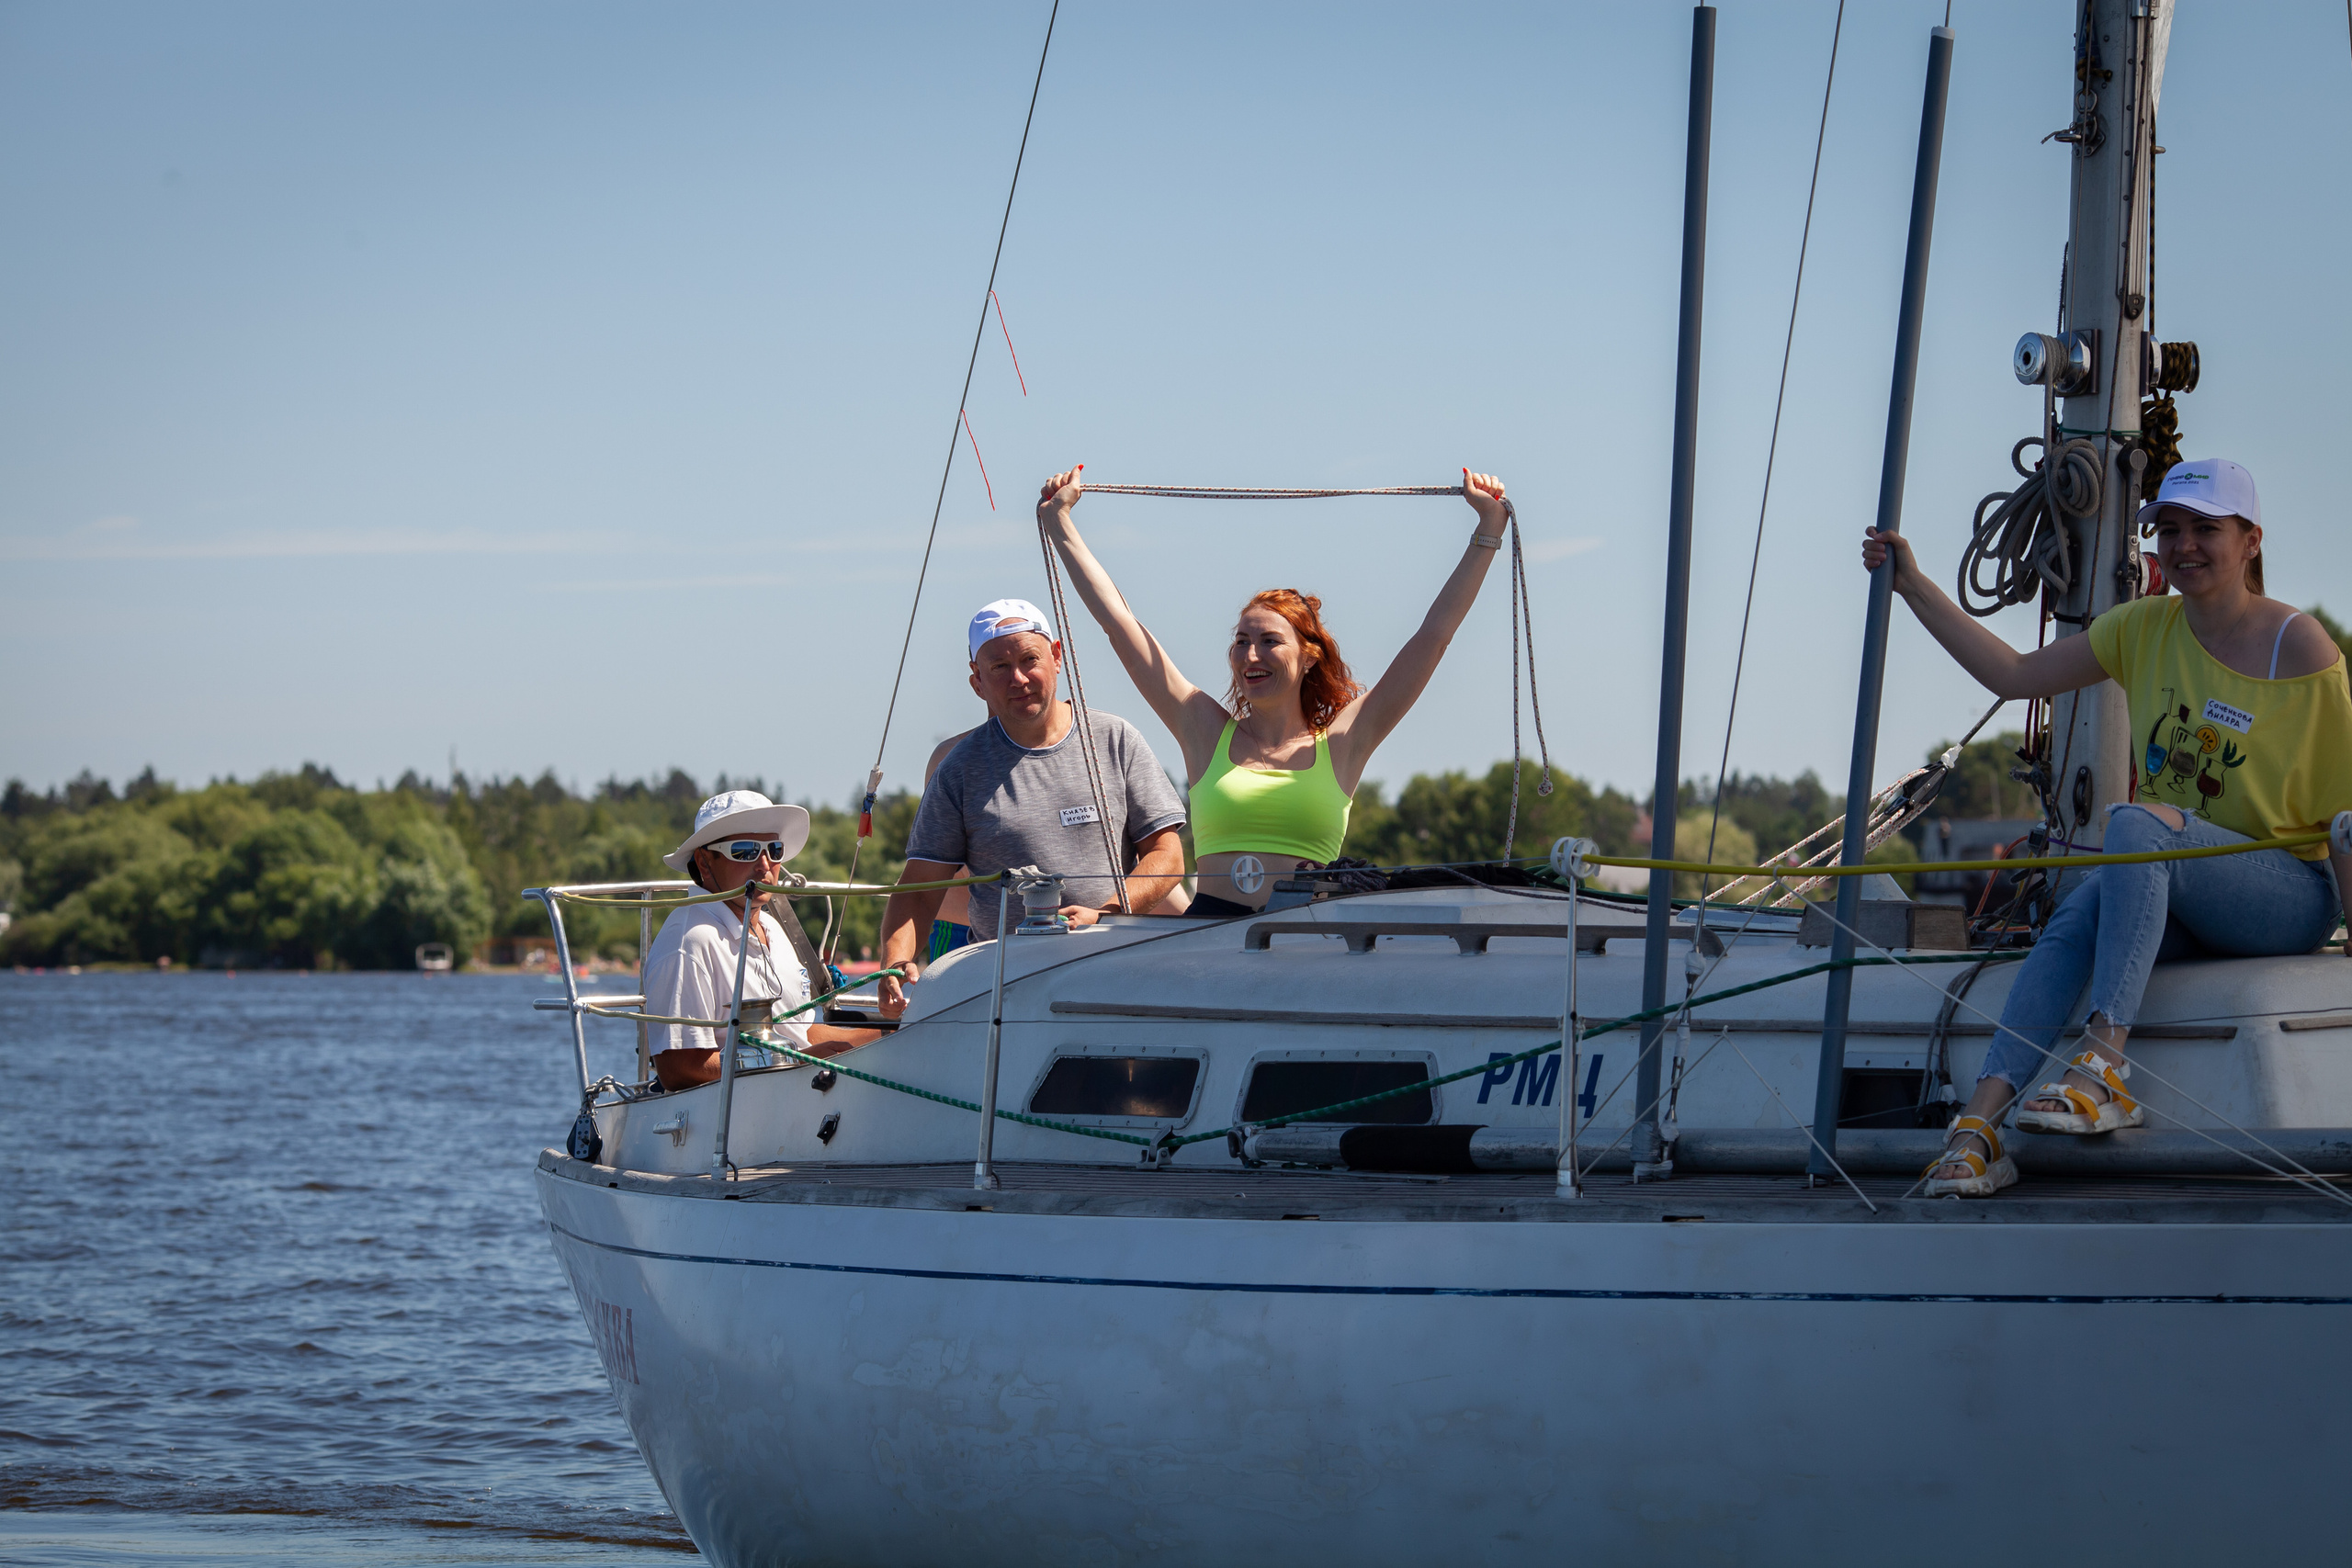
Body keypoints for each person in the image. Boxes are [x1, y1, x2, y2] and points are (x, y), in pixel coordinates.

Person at [1862, 457, 2352, 1197]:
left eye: (2206, 529)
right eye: (2170, 530)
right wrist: (1912, 585)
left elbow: (2346, 823)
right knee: (2081, 911)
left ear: (2250, 540)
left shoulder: (2301, 646)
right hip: (2182, 880)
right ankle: (1977, 1129)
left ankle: (2104, 1059)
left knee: (2135, 824)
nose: (2184, 545)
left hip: (2288, 893)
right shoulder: (2141, 627)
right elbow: (2013, 677)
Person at [1033, 464, 1513, 916]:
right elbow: (1122, 627)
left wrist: (1487, 532)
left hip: (1305, 937)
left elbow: (1433, 637)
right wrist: (1061, 525)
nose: (1250, 656)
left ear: (1310, 656)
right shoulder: (1203, 730)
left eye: (1269, 641)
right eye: (1241, 642)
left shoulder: (1345, 742)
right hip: (1207, 933)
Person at [875, 599, 1189, 1018]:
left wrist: (1107, 911)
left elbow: (1167, 856)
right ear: (977, 682)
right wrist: (895, 962)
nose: (1019, 678)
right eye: (999, 668)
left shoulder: (1116, 740)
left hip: (1117, 981)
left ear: (1057, 657)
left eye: (1029, 660)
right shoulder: (959, 769)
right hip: (1003, 998)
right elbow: (919, 888)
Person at [643, 790, 884, 1089]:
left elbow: (802, 1034)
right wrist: (798, 1061)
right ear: (704, 863)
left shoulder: (771, 928)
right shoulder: (690, 942)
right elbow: (679, 1068)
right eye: (745, 851)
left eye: (775, 849)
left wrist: (901, 1033)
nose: (765, 864)